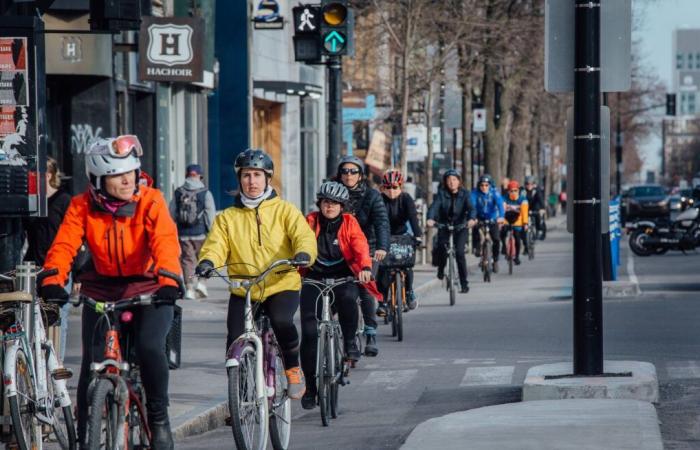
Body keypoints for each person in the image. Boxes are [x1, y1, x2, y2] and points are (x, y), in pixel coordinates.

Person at [38, 135, 183, 449]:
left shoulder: (151, 200)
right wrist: (52, 278)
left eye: (131, 171)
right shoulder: (81, 206)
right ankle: (84, 434)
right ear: (98, 180)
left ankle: (158, 419)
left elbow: (165, 242)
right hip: (102, 289)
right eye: (118, 175)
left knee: (149, 347)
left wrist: (170, 279)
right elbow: (63, 246)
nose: (128, 179)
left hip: (151, 287)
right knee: (92, 361)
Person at [195, 148, 317, 401]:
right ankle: (239, 400)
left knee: (282, 321)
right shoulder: (227, 217)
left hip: (281, 281)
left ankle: (293, 369)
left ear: (267, 179)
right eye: (247, 175)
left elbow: (303, 236)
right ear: (239, 179)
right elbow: (216, 244)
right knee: (234, 338)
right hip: (244, 286)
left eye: (257, 175)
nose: (252, 181)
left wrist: (303, 253)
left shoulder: (285, 210)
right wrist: (208, 261)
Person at [299, 181, 377, 409]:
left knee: (348, 299)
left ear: (342, 206)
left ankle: (351, 341)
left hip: (344, 276)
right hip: (314, 278)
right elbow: (298, 241)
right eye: (325, 202)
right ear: (320, 204)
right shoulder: (310, 221)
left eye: (334, 203)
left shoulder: (349, 223)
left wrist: (364, 268)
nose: (329, 206)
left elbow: (360, 245)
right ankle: (311, 388)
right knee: (309, 332)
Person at [336, 155, 389, 357]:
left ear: (361, 175)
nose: (348, 175)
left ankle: (371, 333)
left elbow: (382, 223)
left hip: (369, 248)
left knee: (365, 286)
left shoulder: (372, 196)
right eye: (345, 171)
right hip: (340, 249)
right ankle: (333, 330)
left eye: (353, 171)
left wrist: (382, 247)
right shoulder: (332, 193)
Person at [22, 157, 72, 359]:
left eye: (36, 174)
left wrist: (75, 274)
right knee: (31, 316)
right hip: (33, 265)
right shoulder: (30, 202)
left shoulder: (63, 200)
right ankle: (36, 365)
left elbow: (72, 238)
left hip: (58, 267)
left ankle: (55, 364)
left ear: (49, 175)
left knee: (57, 317)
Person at [377, 169, 421, 312]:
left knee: (407, 265)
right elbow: (375, 220)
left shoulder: (406, 199)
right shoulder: (379, 200)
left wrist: (418, 236)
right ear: (382, 188)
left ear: (400, 187)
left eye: (395, 187)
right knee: (383, 269)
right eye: (387, 187)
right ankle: (382, 302)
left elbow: (413, 218)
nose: (391, 191)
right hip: (384, 236)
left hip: (402, 235)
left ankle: (409, 292)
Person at [170, 163, 216, 300]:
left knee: (187, 261)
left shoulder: (179, 192)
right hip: (201, 233)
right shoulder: (205, 192)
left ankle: (189, 288)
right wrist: (210, 231)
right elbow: (210, 215)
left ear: (187, 175)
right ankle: (201, 283)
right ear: (200, 176)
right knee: (204, 258)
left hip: (184, 234)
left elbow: (171, 213)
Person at [427, 169, 477, 293]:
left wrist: (471, 219)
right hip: (444, 225)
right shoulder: (441, 194)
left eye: (454, 179)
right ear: (445, 182)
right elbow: (434, 207)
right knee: (442, 249)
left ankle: (464, 283)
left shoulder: (465, 194)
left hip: (460, 227)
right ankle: (441, 269)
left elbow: (471, 208)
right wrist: (430, 218)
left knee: (460, 253)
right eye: (449, 180)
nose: (451, 182)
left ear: (459, 181)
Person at [471, 174, 505, 273]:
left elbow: (500, 205)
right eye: (482, 185)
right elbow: (472, 205)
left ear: (490, 185)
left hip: (492, 218)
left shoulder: (494, 193)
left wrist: (501, 217)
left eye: (486, 185)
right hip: (479, 217)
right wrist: (473, 218)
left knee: (496, 239)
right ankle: (476, 248)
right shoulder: (475, 193)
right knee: (475, 229)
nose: (484, 187)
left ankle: (495, 260)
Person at [502, 180, 529, 265]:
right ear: (508, 191)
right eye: (511, 191)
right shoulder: (504, 198)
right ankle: (503, 246)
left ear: (518, 190)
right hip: (506, 219)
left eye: (515, 190)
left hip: (518, 221)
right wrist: (501, 220)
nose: (513, 192)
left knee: (517, 237)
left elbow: (524, 213)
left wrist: (525, 223)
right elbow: (501, 209)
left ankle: (517, 256)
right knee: (502, 233)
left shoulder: (523, 200)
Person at [524, 176, 546, 241]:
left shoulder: (537, 190)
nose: (529, 185)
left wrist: (542, 208)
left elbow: (540, 199)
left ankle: (540, 229)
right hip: (527, 208)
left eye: (531, 184)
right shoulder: (523, 191)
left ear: (533, 184)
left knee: (538, 219)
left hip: (536, 208)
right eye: (527, 184)